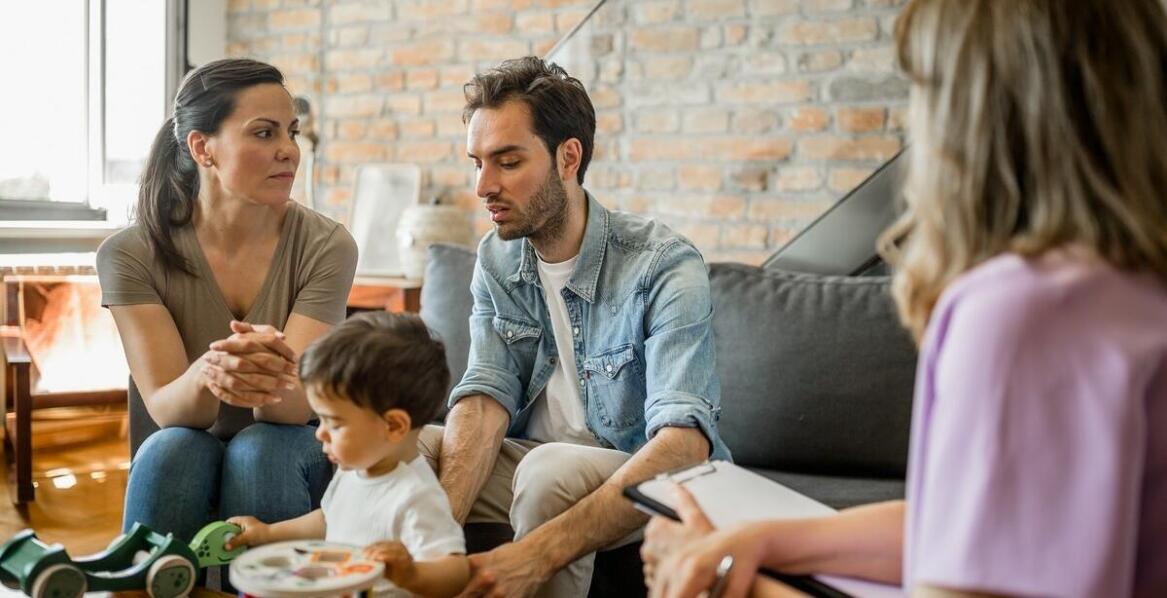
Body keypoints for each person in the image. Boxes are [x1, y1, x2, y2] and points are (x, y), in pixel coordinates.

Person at [641, 0, 1167, 596]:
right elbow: (969, 530)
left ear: (966, 116)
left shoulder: (1023, 313)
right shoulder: (1134, 288)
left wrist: (724, 580)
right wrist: (760, 539)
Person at [416, 56, 731, 598]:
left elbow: (683, 443)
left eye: (508, 162)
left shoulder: (662, 263)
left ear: (568, 156)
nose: (483, 186)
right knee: (412, 448)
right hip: (532, 459)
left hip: (636, 472)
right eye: (477, 162)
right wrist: (438, 541)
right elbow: (485, 392)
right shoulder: (497, 257)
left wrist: (531, 556)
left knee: (548, 471)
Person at [97, 58, 357, 547]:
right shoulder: (130, 254)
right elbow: (171, 410)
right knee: (173, 448)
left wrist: (255, 367)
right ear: (203, 148)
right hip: (179, 435)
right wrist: (215, 368)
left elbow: (292, 409)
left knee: (263, 449)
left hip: (286, 439)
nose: (288, 152)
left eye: (292, 132)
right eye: (263, 134)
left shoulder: (328, 246)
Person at [227, 312, 470, 597]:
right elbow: (328, 519)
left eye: (335, 423)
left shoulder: (416, 495)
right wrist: (267, 533)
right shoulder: (353, 471)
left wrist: (412, 574)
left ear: (393, 426)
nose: (320, 433)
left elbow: (456, 571)